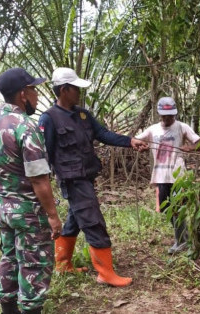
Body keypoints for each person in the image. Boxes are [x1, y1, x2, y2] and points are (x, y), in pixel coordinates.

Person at [38, 67, 144, 287]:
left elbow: (103, 133)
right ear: (64, 90)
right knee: (93, 222)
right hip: (72, 179)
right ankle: (105, 273)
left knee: (75, 220)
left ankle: (62, 264)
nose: (79, 92)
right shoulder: (49, 118)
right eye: (76, 88)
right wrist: (43, 183)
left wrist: (130, 141)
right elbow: (45, 152)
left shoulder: (82, 114)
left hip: (86, 177)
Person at [0, 68, 62, 314]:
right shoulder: (26, 126)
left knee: (10, 255)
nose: (36, 95)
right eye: (34, 90)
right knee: (35, 262)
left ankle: (8, 307)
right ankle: (30, 308)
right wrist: (53, 216)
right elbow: (39, 179)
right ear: (23, 94)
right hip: (28, 212)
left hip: (3, 208)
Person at [134, 97, 200, 254]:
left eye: (171, 115)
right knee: (166, 207)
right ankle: (182, 238)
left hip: (178, 174)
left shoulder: (182, 127)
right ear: (160, 114)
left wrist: (190, 148)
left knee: (178, 207)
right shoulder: (153, 130)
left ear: (175, 114)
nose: (168, 118)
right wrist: (142, 147)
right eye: (165, 116)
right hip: (160, 175)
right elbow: (136, 141)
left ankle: (182, 241)